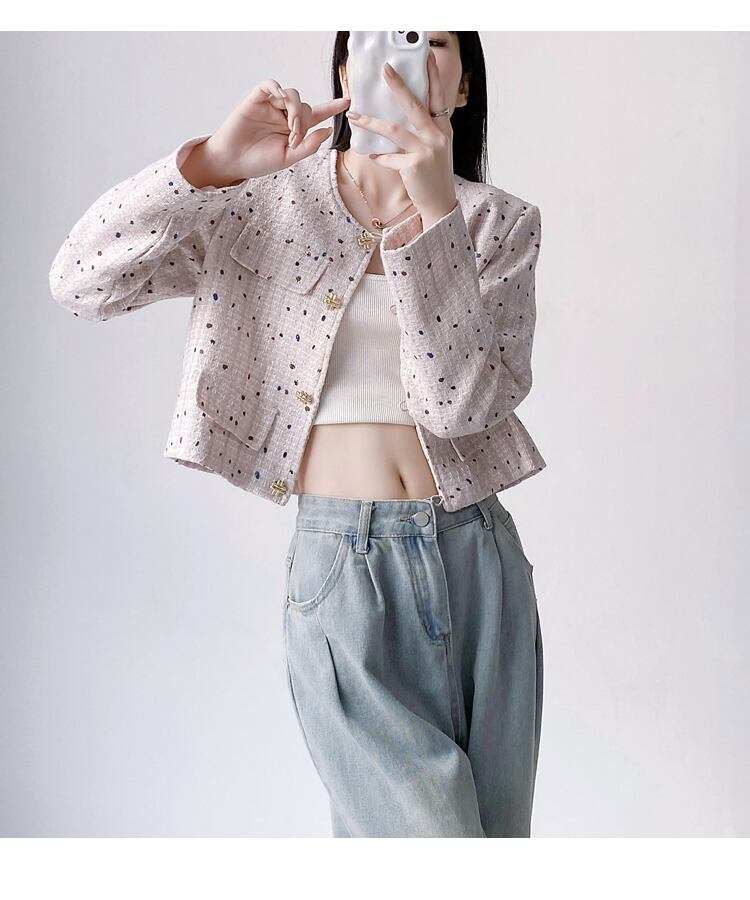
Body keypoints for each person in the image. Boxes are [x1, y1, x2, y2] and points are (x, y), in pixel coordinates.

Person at [49, 31, 545, 838]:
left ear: (462, 87)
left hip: (480, 558)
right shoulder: (261, 205)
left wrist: (435, 216)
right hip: (344, 570)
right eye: (383, 35)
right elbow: (80, 282)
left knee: (494, 846)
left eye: (433, 41)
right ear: (346, 67)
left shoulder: (499, 225)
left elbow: (458, 404)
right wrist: (210, 163)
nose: (408, 57)